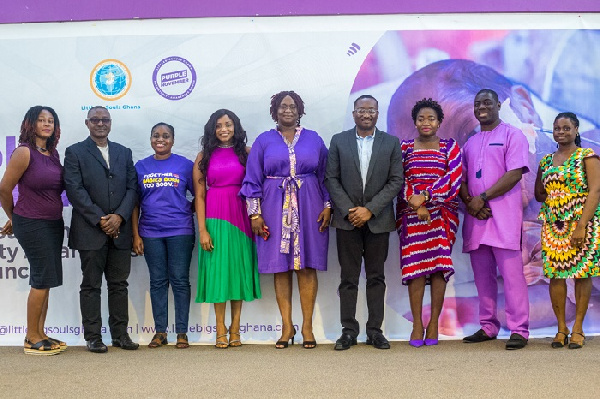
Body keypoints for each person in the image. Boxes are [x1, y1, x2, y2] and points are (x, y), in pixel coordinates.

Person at [240, 91, 330, 349]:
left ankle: (308, 327)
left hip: (309, 204)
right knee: (280, 266)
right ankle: (286, 326)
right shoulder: (264, 140)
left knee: (306, 265)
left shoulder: (313, 139)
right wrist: (255, 213)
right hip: (273, 206)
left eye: (292, 106)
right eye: (282, 106)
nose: (287, 110)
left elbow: (325, 175)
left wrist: (328, 205)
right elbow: (252, 179)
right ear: (275, 111)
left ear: (299, 110)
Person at [325, 94, 403, 350]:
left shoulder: (391, 143)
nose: (366, 114)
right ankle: (348, 331)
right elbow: (331, 179)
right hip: (347, 222)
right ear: (354, 113)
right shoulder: (339, 141)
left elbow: (396, 181)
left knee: (376, 278)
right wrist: (350, 211)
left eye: (371, 110)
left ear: (377, 114)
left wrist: (369, 209)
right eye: (361, 110)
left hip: (378, 221)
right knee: (348, 278)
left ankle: (374, 331)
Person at [460, 89, 530, 350]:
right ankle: (488, 326)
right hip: (477, 221)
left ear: (499, 105)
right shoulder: (470, 142)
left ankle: (519, 330)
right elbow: (462, 179)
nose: (482, 107)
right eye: (478, 104)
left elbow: (514, 173)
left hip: (505, 219)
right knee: (483, 277)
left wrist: (483, 198)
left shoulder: (513, 135)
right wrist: (471, 203)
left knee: (512, 278)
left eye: (487, 102)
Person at [64, 106, 138, 353]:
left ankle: (120, 335)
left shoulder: (124, 152)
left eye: (104, 119)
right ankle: (93, 337)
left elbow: (132, 189)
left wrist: (119, 216)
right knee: (91, 285)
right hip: (89, 231)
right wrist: (101, 219)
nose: (100, 123)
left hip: (120, 230)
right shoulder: (74, 152)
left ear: (111, 123)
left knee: (119, 285)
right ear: (87, 123)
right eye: (95, 120)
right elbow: (75, 190)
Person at [396, 98, 462, 347]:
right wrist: (417, 204)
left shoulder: (450, 147)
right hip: (412, 216)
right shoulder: (404, 148)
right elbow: (398, 179)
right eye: (421, 118)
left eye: (431, 118)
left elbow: (453, 179)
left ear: (439, 122)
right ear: (414, 121)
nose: (426, 122)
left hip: (442, 215)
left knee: (437, 268)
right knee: (414, 269)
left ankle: (433, 323)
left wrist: (425, 197)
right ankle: (416, 325)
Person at [0, 106, 66, 355]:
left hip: (53, 222)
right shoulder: (23, 152)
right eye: (41, 120)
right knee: (40, 279)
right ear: (31, 124)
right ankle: (31, 337)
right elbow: (4, 189)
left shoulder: (52, 153)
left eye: (50, 120)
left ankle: (41, 332)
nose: (46, 124)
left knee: (46, 280)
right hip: (32, 222)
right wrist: (14, 217)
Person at [195, 109, 261, 348]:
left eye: (228, 124)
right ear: (212, 129)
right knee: (217, 273)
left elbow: (256, 188)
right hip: (214, 217)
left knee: (237, 271)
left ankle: (236, 328)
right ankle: (220, 328)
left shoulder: (247, 153)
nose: (224, 129)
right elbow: (199, 196)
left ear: (236, 127)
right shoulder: (204, 157)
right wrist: (202, 230)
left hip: (241, 217)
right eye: (219, 125)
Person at [534, 112, 600, 349]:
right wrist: (556, 198)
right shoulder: (546, 160)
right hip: (554, 225)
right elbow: (539, 193)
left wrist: (581, 225)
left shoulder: (587, 156)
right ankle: (561, 328)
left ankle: (579, 329)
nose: (561, 132)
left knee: (582, 273)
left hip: (582, 224)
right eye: (557, 128)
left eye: (566, 128)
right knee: (555, 275)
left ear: (576, 130)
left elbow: (595, 191)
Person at [132, 123, 195, 349]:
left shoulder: (185, 165)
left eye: (166, 136)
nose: (161, 139)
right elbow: (134, 204)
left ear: (173, 140)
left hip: (180, 231)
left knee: (180, 280)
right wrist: (136, 234)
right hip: (150, 232)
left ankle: (182, 332)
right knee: (158, 281)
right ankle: (160, 332)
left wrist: (187, 209)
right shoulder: (140, 167)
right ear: (150, 139)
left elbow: (200, 196)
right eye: (156, 136)